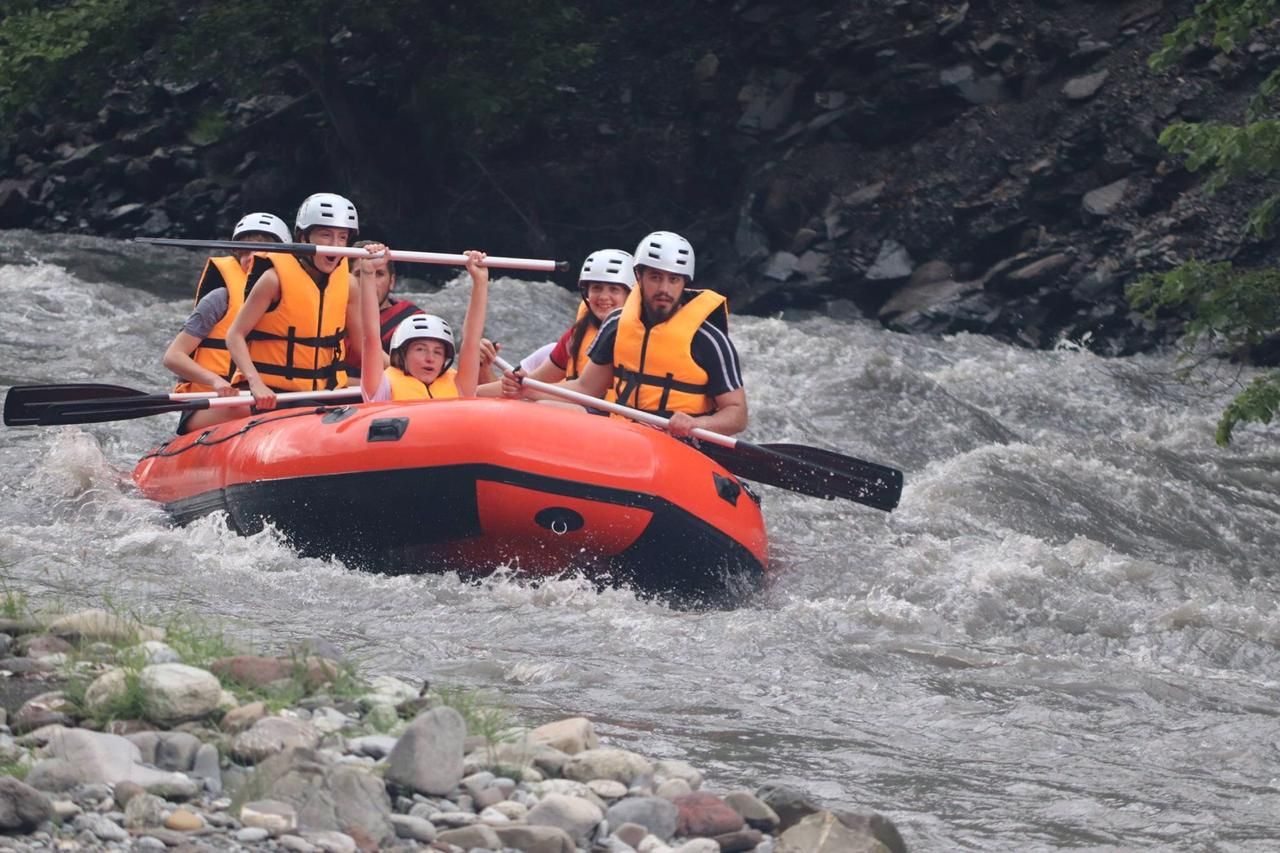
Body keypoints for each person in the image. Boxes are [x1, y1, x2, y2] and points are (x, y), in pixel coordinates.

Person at [503, 230, 747, 437]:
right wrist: (528, 389)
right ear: (639, 277)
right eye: (655, 277)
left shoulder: (709, 340)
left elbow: (737, 413)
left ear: (684, 283)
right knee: (543, 408)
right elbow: (586, 389)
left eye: (673, 279)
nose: (664, 288)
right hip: (623, 435)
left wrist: (697, 424)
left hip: (678, 444)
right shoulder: (616, 325)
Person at [224, 192, 368, 414]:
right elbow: (235, 335)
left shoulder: (348, 283)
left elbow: (364, 347)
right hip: (273, 394)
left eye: (342, 237)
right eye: (325, 235)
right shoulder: (274, 279)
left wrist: (401, 370)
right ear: (303, 238)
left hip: (324, 393)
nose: (335, 245)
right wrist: (256, 384)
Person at [162, 211, 291, 434]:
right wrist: (216, 382)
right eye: (244, 252)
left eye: (261, 251)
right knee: (248, 408)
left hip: (269, 398)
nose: (250, 258)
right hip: (214, 403)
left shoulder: (294, 300)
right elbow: (173, 357)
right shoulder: (221, 298)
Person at [478, 248, 631, 408]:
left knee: (544, 405)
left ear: (630, 295)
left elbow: (584, 389)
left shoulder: (634, 337)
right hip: (584, 416)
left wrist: (527, 390)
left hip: (621, 420)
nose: (603, 297)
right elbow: (534, 381)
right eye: (596, 288)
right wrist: (470, 393)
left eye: (614, 289)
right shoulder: (576, 336)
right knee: (537, 403)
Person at [358, 248, 491, 401]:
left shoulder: (460, 386)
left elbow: (471, 340)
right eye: (420, 349)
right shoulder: (383, 388)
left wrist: (480, 281)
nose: (430, 358)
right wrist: (368, 273)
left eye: (438, 352)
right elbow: (370, 337)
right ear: (401, 355)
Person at [342, 239, 423, 380]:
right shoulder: (329, 316)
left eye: (378, 274)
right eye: (359, 274)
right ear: (347, 280)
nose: (369, 281)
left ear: (391, 282)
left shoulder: (412, 321)